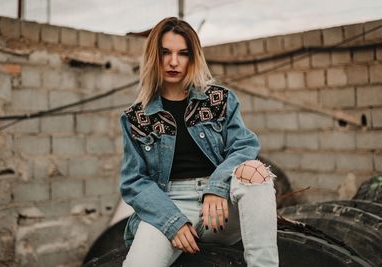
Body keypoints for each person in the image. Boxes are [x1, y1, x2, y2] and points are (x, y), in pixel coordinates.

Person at [119, 17, 278, 267]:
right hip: (170, 204)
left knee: (255, 171)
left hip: (222, 206)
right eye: (165, 53)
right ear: (153, 56)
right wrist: (172, 221)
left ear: (192, 57)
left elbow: (244, 146)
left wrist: (216, 188)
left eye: (182, 53)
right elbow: (134, 182)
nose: (173, 62)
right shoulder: (135, 118)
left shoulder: (219, 100)